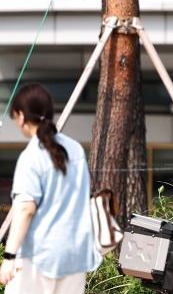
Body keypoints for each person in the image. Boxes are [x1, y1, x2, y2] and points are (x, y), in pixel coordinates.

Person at [0, 83, 101, 294]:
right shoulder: (74, 149)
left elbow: (25, 209)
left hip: (39, 257)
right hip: (75, 256)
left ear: (21, 116)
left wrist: (9, 256)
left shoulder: (31, 157)